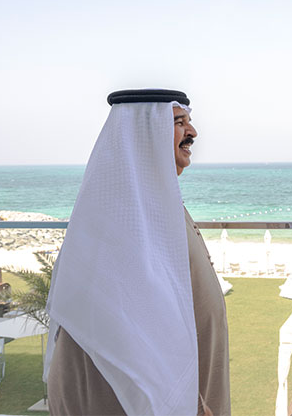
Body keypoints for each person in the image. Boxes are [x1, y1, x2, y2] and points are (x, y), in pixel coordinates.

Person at [44, 89, 230, 415]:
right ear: (147, 134)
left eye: (190, 121)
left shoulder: (154, 202)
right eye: (178, 122)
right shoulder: (123, 214)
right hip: (122, 398)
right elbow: (135, 330)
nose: (193, 132)